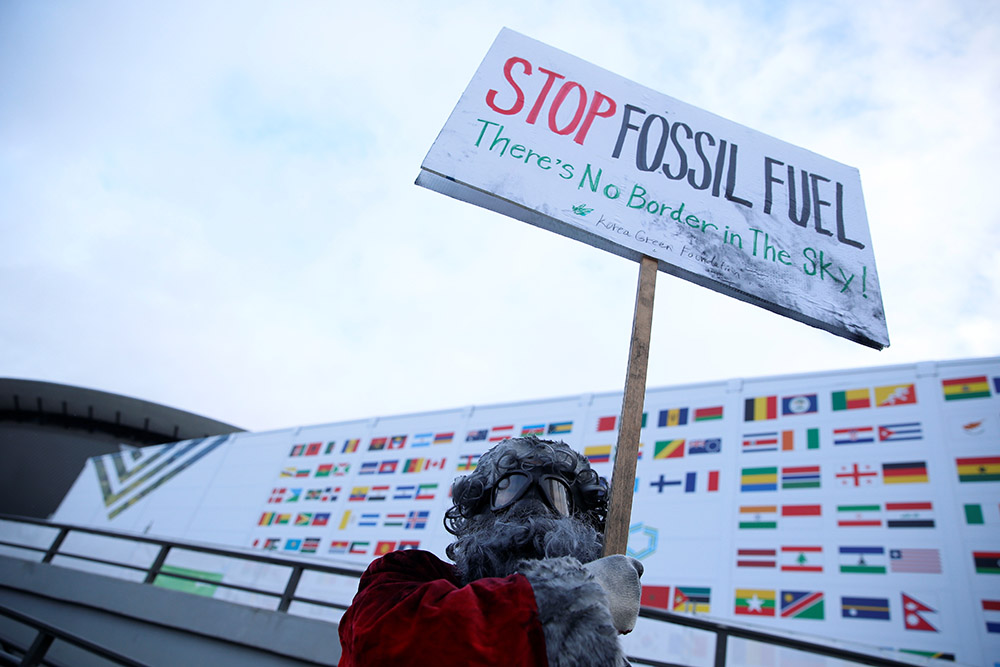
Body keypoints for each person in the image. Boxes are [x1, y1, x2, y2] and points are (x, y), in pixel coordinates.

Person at [337, 435, 643, 666]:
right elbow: (384, 643)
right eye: (510, 487)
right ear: (477, 507)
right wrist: (576, 597)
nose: (531, 505)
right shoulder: (405, 578)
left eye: (556, 493)